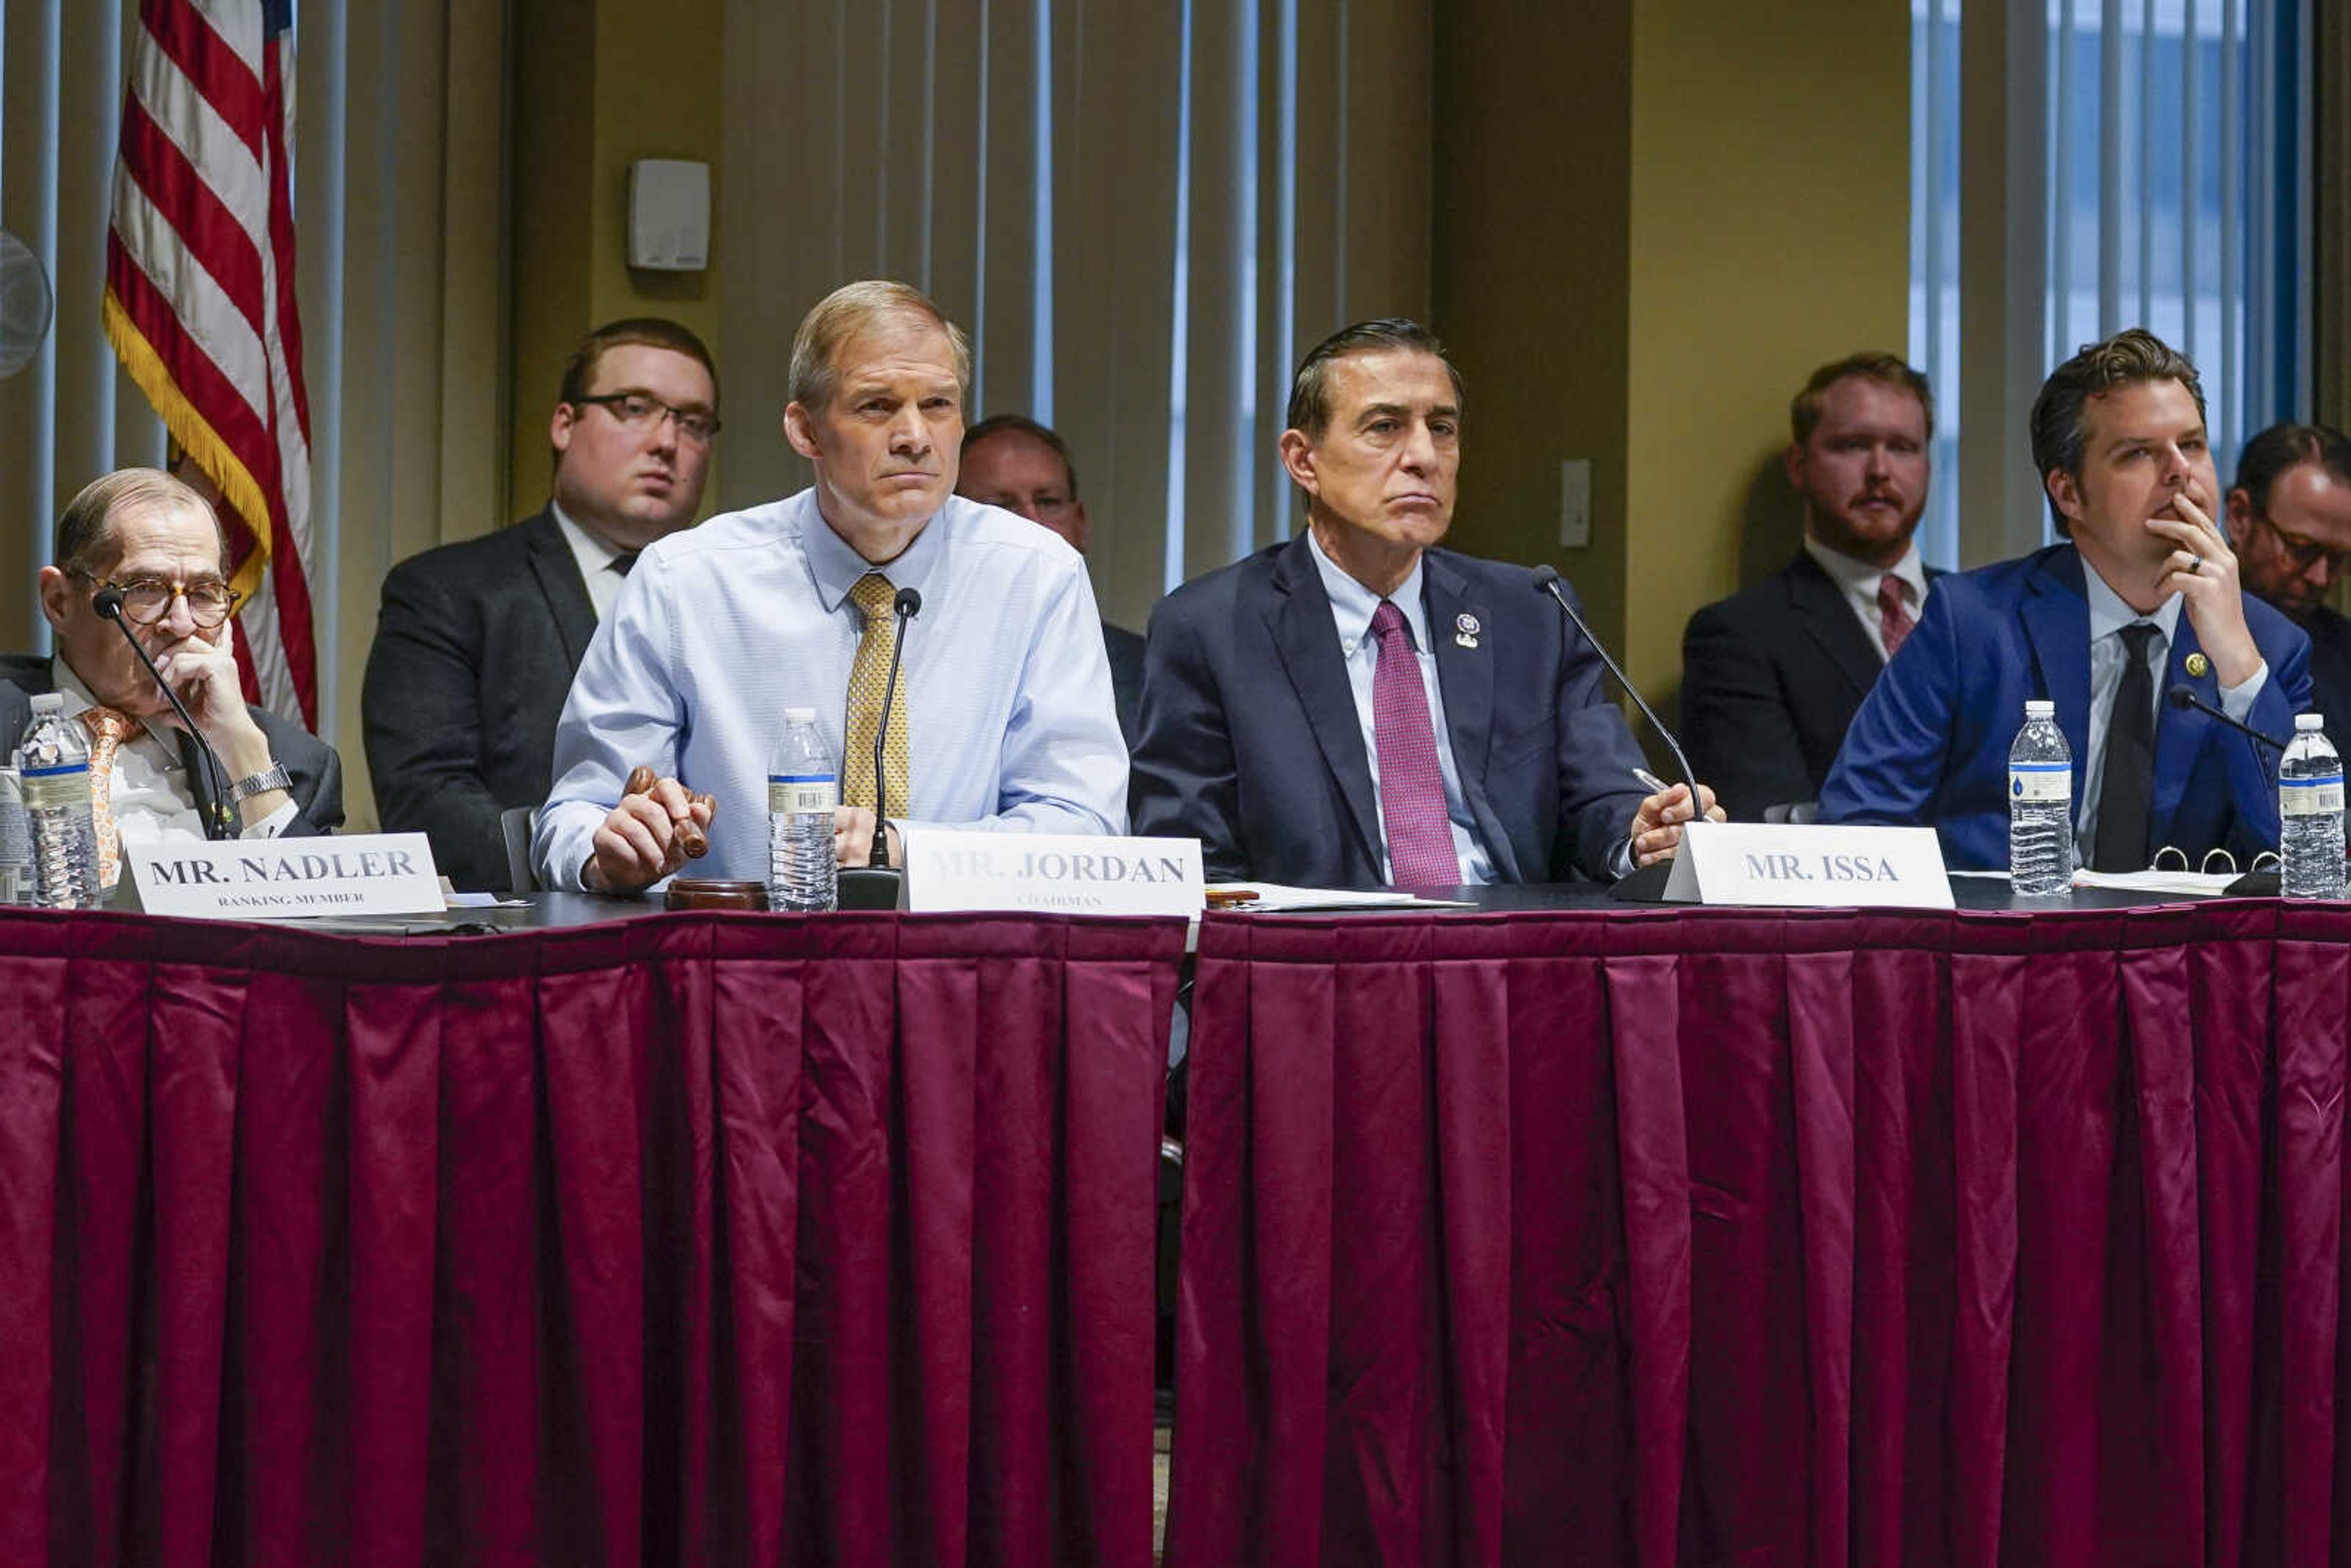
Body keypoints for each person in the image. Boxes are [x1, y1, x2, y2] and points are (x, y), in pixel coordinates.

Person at [533, 280, 1125, 894]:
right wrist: (609, 853)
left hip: (962, 968)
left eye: (939, 405)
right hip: (741, 969)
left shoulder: (1036, 576)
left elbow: (1083, 828)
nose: (915, 436)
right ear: (805, 431)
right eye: (877, 406)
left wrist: (898, 848)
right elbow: (574, 815)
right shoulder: (684, 582)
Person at [1128, 317, 1719, 887]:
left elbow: (1603, 791)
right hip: (1323, 966)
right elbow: (1195, 864)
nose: (1424, 457)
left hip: (1511, 956)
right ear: (1303, 460)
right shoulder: (1212, 627)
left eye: (1442, 428)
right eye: (1384, 426)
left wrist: (1640, 833)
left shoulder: (1533, 612)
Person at [1821, 328, 2311, 871]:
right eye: (2139, 452)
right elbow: (1860, 826)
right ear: (2068, 492)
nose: (2181, 469)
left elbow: (2302, 862)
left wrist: (2238, 668)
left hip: (2179, 955)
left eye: (2191, 444)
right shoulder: (1971, 623)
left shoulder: (2269, 647)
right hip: (2003, 949)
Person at [362, 318, 718, 890]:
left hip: (721, 936)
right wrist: (585, 854)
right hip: (529, 943)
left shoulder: (738, 600)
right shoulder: (447, 591)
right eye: (633, 407)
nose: (667, 442)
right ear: (564, 424)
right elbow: (427, 803)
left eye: (694, 423)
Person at [2, 468, 341, 889]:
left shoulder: (293, 762)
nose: (181, 624)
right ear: (59, 603)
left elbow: (321, 932)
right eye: (146, 588)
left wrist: (244, 757)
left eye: (203, 594)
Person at [1681, 353, 1941, 819]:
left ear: (1927, 464)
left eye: (1903, 447)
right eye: (1853, 445)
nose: (1880, 469)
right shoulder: (1738, 635)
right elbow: (1766, 821)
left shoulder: (1987, 612)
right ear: (1799, 465)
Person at [957, 413, 1147, 744]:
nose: (1033, 524)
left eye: (1048, 503)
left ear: (1080, 523)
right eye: (1001, 507)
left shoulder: (1149, 671)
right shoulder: (920, 660)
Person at [2222, 421, 2351, 727]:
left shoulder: (2345, 657)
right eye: (2301, 549)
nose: (2320, 578)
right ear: (2240, 517)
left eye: (2338, 558)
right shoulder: (2166, 632)